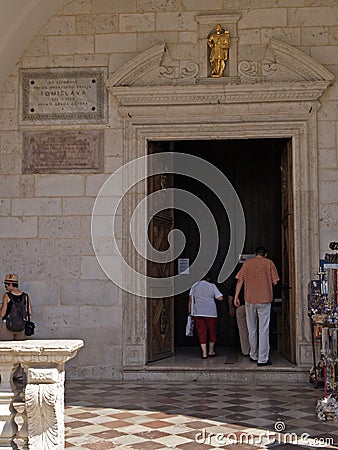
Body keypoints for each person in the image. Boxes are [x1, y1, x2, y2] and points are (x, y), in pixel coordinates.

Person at [234, 247, 279, 366]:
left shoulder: (247, 263)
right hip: (264, 299)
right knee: (263, 329)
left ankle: (253, 354)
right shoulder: (269, 263)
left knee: (251, 328)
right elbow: (275, 281)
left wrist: (236, 297)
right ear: (266, 254)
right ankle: (262, 358)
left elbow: (239, 281)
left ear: (254, 254)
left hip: (249, 299)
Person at [1, 274, 33, 382]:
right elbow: (30, 312)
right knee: (20, 351)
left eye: (6, 284)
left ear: (10, 284)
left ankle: (5, 375)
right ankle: (19, 374)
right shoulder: (26, 296)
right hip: (21, 327)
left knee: (5, 350)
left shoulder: (6, 296)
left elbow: (2, 313)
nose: (5, 287)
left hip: (8, 327)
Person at [188, 273, 223, 359]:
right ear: (208, 278)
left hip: (198, 311)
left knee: (201, 332)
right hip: (211, 312)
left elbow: (190, 301)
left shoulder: (194, 286)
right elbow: (220, 298)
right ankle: (211, 351)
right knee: (212, 331)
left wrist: (189, 312)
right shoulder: (212, 286)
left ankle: (204, 353)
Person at [227, 265, 250, 357]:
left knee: (243, 329)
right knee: (254, 328)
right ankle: (255, 350)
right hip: (251, 305)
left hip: (240, 307)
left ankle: (245, 350)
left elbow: (230, 296)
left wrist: (231, 307)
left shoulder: (237, 281)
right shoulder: (252, 280)